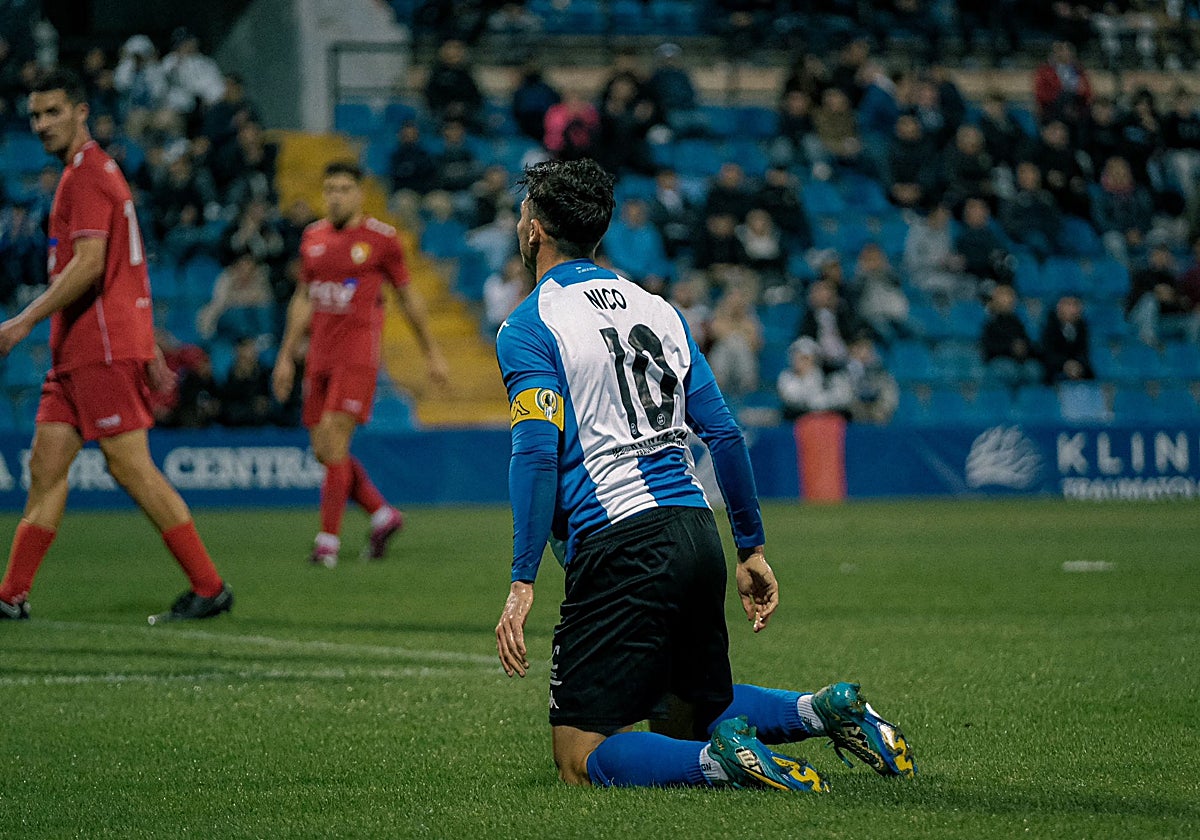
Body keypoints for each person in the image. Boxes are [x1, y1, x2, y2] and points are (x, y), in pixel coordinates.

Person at [493, 158, 915, 791]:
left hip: (620, 539)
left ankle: (724, 764)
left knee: (578, 757)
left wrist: (523, 578)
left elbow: (533, 452)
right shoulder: (661, 311)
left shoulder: (530, 325)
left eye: (523, 211)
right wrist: (751, 548)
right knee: (682, 706)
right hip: (696, 531)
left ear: (533, 230)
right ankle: (823, 709)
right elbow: (723, 433)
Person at [0, 70, 232, 623]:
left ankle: (209, 586)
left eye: (54, 111)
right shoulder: (93, 174)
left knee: (130, 467)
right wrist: (148, 343)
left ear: (82, 111)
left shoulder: (85, 177)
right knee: (45, 466)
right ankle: (10, 595)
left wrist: (22, 321)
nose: (42, 124)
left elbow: (92, 264)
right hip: (79, 350)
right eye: (35, 115)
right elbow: (129, 268)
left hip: (98, 348)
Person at [272, 161, 450, 567]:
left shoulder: (381, 240)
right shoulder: (312, 237)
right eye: (329, 188)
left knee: (335, 442)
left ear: (360, 193)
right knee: (324, 451)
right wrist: (286, 356)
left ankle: (327, 543)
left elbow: (407, 297)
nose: (335, 196)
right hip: (318, 356)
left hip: (357, 357)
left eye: (343, 188)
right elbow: (303, 298)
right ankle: (383, 515)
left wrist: (432, 353)